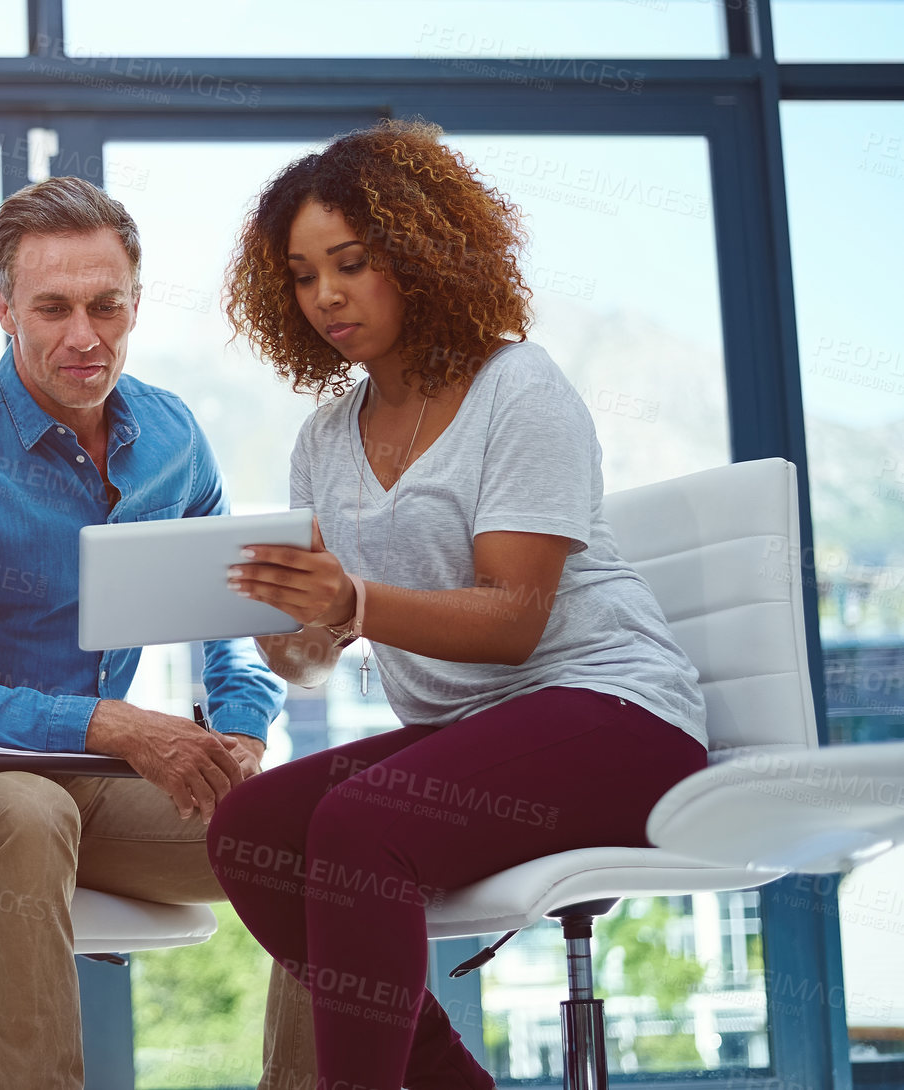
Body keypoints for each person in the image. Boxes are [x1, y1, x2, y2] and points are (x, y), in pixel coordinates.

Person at [207, 119, 710, 1089]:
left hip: (618, 717)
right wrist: (295, 633)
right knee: (253, 830)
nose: (326, 297)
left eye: (350, 264)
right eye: (305, 275)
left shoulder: (516, 388)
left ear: (419, 250)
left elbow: (513, 614)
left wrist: (351, 602)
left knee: (357, 826)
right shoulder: (323, 441)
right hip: (473, 734)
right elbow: (322, 653)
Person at [0, 176, 315, 1090]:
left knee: (318, 830)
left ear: (136, 302)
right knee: (26, 808)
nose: (84, 336)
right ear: (2, 309)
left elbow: (230, 618)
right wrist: (115, 726)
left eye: (106, 306)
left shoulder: (175, 438)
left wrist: (240, 729)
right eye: (53, 308)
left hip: (85, 784)